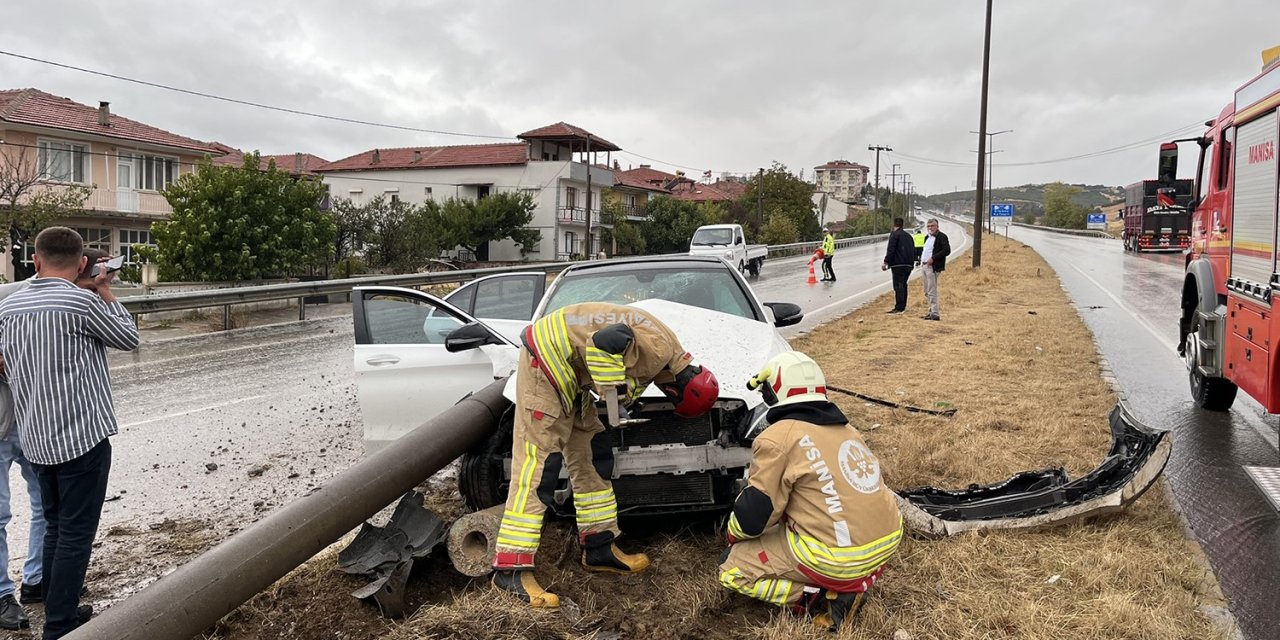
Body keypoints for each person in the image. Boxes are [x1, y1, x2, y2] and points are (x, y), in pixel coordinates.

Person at [492, 302, 719, 608]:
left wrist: (623, 395)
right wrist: (614, 394)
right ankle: (511, 570)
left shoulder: (665, 352)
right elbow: (605, 343)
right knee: (539, 465)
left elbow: (620, 356)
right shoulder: (660, 350)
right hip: (547, 363)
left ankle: (599, 547)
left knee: (593, 454)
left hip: (569, 371)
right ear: (679, 392)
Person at [0, 229, 138, 639]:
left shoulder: (12, 305)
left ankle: (61, 608)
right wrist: (105, 292)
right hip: (81, 440)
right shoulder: (82, 302)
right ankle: (60, 624)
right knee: (75, 533)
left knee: (58, 526)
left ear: (36, 261)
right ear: (82, 264)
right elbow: (129, 338)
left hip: (37, 440)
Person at [718, 351, 902, 632]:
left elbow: (755, 516)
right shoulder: (848, 430)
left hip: (836, 557)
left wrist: (733, 536)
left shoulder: (777, 438)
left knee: (731, 570)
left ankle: (816, 597)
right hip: (886, 541)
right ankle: (850, 583)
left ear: (773, 394)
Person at [0, 278, 39, 631]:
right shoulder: (9, 298)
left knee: (47, 504)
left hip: (32, 420)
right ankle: (0, 595)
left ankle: (37, 579)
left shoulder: (53, 296)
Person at [881, 217, 916, 313]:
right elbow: (913, 250)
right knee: (903, 285)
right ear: (902, 225)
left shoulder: (894, 235)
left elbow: (891, 249)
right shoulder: (909, 236)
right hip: (908, 265)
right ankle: (903, 306)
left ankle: (899, 307)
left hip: (898, 265)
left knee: (898, 286)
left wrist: (886, 262)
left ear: (894, 225)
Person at [920, 219, 952, 321]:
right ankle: (930, 311)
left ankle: (935, 313)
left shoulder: (941, 237)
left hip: (933, 267)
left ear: (937, 226)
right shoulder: (927, 238)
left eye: (932, 226)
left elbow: (947, 250)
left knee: (931, 290)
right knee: (926, 291)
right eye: (928, 226)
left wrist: (933, 258)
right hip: (924, 266)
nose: (930, 228)